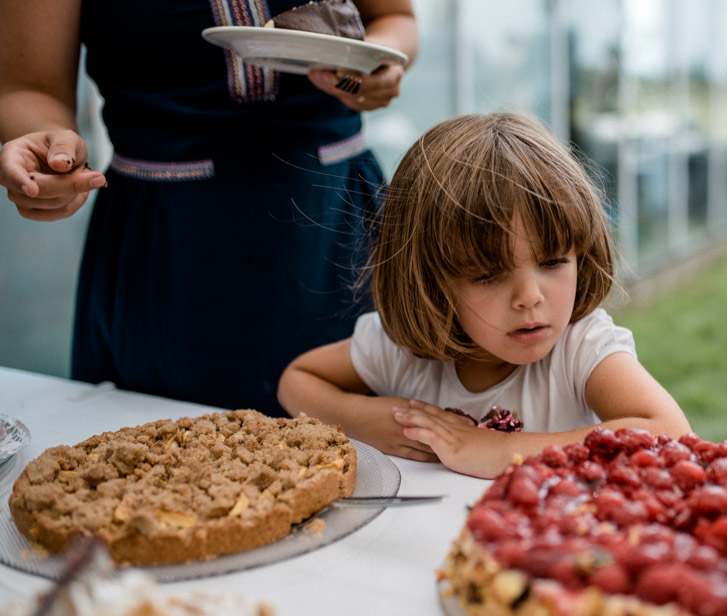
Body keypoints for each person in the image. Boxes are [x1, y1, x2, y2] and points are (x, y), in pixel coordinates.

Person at [0, 1, 418, 415]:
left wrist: (378, 62)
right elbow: (29, 86)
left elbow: (394, 17)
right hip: (171, 247)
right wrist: (50, 150)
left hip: (336, 227)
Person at [277, 112, 691, 479]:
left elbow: (671, 433)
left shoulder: (581, 348)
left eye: (552, 262)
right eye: (488, 274)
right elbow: (295, 381)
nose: (530, 297)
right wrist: (362, 419)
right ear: (429, 280)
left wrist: (499, 451)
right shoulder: (399, 352)